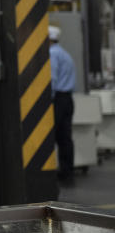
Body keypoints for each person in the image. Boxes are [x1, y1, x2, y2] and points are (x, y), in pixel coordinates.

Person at [48, 25, 76, 182]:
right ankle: (67, 170)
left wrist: (47, 100)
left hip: (57, 99)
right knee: (65, 137)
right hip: (68, 99)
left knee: (51, 135)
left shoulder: (52, 54)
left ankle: (48, 169)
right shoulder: (65, 54)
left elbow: (52, 78)